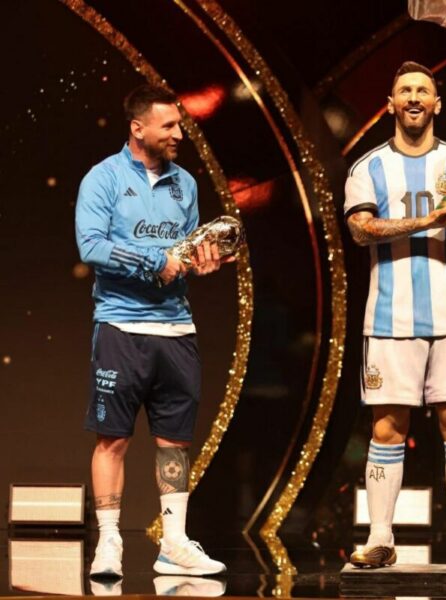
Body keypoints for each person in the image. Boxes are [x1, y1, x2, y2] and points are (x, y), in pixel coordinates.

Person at [344, 61, 446, 569]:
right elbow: (360, 230)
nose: (414, 98)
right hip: (390, 321)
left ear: (438, 105)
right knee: (387, 430)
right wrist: (429, 219)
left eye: (423, 90)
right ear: (391, 104)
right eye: (404, 91)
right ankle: (380, 539)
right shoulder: (369, 167)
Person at [76, 84, 232, 578]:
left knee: (175, 445)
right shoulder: (102, 179)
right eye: (169, 126)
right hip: (121, 326)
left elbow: (180, 255)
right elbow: (91, 247)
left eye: (179, 125)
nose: (179, 134)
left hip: (176, 329)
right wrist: (154, 261)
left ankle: (175, 544)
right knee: (113, 440)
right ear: (137, 128)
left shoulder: (185, 183)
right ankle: (109, 544)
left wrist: (196, 262)